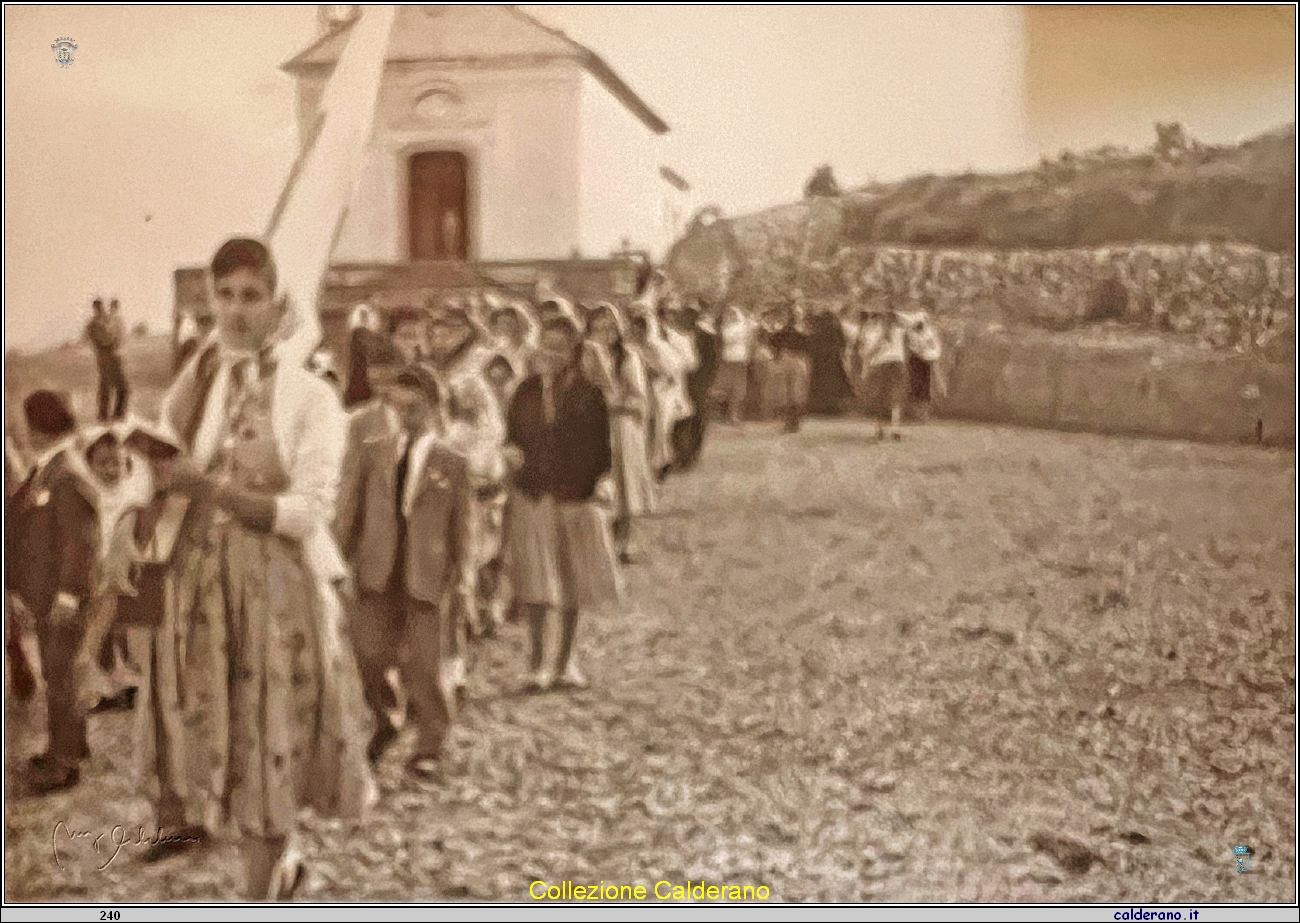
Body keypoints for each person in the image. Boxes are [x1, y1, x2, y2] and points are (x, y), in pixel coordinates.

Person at [138, 237, 371, 898]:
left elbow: (307, 511)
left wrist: (207, 488)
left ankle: (262, 888)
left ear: (277, 303)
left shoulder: (310, 396)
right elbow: (172, 465)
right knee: (223, 732)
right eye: (225, 295)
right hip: (200, 584)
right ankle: (275, 863)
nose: (236, 311)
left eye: (251, 295)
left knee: (271, 728)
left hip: (275, 586)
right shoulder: (199, 383)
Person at [334, 361, 473, 776]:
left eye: (414, 408)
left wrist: (463, 577)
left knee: (424, 665)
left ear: (433, 408)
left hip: (426, 575)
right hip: (377, 571)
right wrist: (339, 560)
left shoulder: (452, 463)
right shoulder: (372, 452)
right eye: (398, 408)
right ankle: (385, 719)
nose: (405, 416)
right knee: (368, 656)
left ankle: (431, 742)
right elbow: (349, 513)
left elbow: (463, 528)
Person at [503, 315, 622, 692]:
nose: (549, 355)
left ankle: (565, 662)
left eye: (559, 348)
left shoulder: (589, 395)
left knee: (571, 582)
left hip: (574, 496)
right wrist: (511, 455)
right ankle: (536, 663)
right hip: (533, 494)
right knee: (536, 583)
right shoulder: (524, 392)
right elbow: (512, 437)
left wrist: (598, 484)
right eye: (545, 345)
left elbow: (603, 453)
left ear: (574, 351)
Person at [5, 391, 98, 793]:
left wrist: (68, 595)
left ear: (38, 428)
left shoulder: (67, 474)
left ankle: (65, 763)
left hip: (62, 598)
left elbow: (82, 543)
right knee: (57, 674)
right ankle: (66, 746)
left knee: (62, 678)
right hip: (46, 596)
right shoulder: (49, 469)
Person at [585, 303, 655, 564]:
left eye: (610, 327)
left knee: (624, 483)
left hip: (621, 424)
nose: (605, 332)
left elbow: (637, 397)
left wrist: (615, 401)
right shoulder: (585, 355)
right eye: (599, 327)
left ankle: (624, 542)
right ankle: (599, 542)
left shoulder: (628, 357)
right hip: (592, 425)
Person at [671, 303, 720, 471]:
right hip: (680, 383)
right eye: (684, 317)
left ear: (696, 318)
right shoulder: (677, 336)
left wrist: (706, 384)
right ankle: (681, 454)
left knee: (697, 419)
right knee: (680, 418)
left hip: (699, 385)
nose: (686, 320)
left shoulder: (706, 337)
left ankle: (692, 454)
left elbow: (712, 363)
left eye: (690, 317)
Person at [851, 307, 909, 441]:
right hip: (895, 363)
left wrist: (868, 358)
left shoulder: (872, 330)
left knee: (879, 398)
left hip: (881, 364)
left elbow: (871, 349)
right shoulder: (896, 328)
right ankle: (894, 429)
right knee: (894, 398)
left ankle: (881, 430)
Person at [766, 304, 811, 433]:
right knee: (788, 393)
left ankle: (793, 422)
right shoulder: (787, 330)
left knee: (795, 393)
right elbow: (773, 341)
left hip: (795, 359)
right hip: (789, 358)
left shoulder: (799, 330)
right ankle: (790, 422)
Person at [87, 298, 129, 421]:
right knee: (115, 388)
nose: (102, 310)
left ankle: (111, 415)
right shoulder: (93, 325)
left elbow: (118, 336)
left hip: (112, 359)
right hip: (106, 360)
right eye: (99, 308)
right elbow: (106, 340)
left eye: (102, 307)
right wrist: (114, 337)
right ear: (95, 309)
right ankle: (110, 415)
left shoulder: (106, 322)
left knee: (112, 388)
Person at [715, 305, 758, 424]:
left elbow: (753, 327)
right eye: (729, 314)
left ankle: (734, 415)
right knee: (727, 387)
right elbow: (728, 339)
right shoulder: (727, 328)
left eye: (733, 314)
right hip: (728, 359)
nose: (731, 316)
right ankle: (728, 414)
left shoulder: (740, 326)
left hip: (740, 359)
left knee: (738, 388)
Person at [901, 307, 943, 422]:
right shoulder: (911, 332)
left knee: (925, 387)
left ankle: (924, 415)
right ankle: (916, 414)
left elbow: (935, 347)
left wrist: (931, 356)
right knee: (915, 386)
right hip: (916, 359)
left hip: (926, 360)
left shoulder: (929, 332)